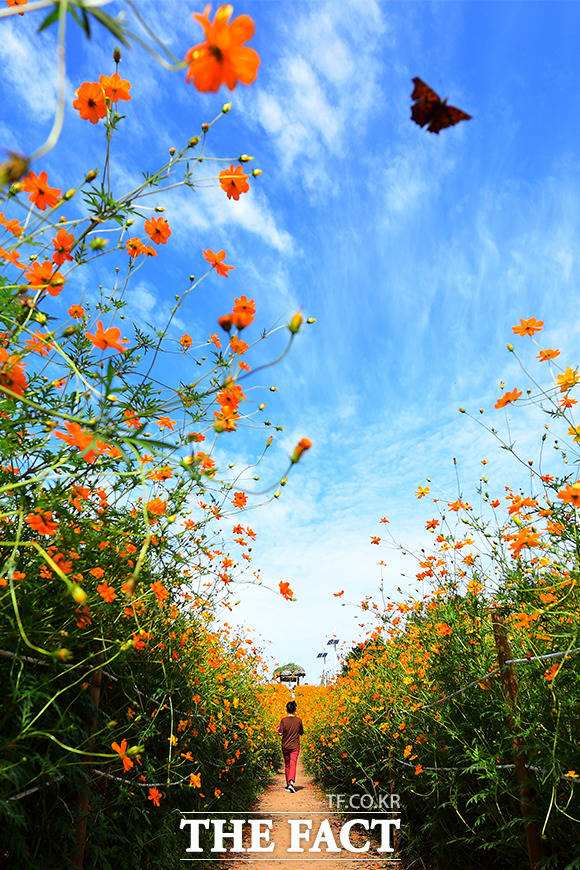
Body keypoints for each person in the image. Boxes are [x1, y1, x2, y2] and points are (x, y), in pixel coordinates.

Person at [277, 699, 304, 793]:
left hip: (285, 746)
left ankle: (288, 784)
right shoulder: (299, 721)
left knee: (287, 765)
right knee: (293, 764)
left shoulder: (283, 720)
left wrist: (278, 730)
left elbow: (280, 733)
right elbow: (301, 732)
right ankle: (291, 783)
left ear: (286, 710)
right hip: (295, 746)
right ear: (294, 710)